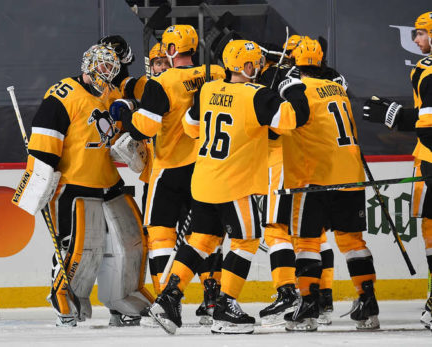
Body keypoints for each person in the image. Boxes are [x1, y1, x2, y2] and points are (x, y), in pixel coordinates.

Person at [146, 39, 310, 335]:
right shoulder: (257, 95)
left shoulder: (209, 89)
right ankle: (225, 306)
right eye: (255, 62)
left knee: (202, 239)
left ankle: (169, 297)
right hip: (234, 183)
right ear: (247, 66)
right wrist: (293, 86)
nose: (259, 66)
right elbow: (295, 118)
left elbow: (190, 126)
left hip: (204, 178)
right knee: (246, 240)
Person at [11, 44, 152, 327]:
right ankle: (66, 297)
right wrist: (37, 179)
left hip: (109, 182)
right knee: (80, 248)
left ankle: (126, 299)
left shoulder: (112, 94)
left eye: (110, 70)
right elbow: (43, 146)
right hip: (73, 185)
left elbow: (121, 135)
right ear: (87, 65)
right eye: (101, 67)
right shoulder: (62, 95)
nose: (106, 74)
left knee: (132, 241)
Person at [111, 24, 226, 312]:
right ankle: (213, 295)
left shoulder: (160, 84)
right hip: (206, 167)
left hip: (170, 169)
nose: (162, 60)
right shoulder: (215, 74)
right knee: (203, 234)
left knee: (160, 234)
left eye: (165, 53)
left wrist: (125, 115)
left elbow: (144, 128)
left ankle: (166, 299)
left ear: (172, 51)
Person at [279, 38, 379, 332]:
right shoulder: (338, 88)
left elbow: (286, 122)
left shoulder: (297, 89)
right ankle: (368, 303)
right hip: (350, 174)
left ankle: (308, 306)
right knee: (353, 242)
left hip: (314, 177)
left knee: (307, 242)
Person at [257, 35, 336, 327]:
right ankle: (321, 298)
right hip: (315, 164)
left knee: (276, 231)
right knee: (314, 235)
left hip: (282, 162)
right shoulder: (332, 81)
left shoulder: (283, 80)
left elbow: (275, 127)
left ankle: (287, 293)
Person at [362, 11, 432, 329]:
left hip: (431, 157)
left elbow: (429, 127)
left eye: (420, 33)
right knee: (429, 225)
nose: (415, 40)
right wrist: (400, 115)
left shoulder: (427, 72)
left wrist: (399, 118)